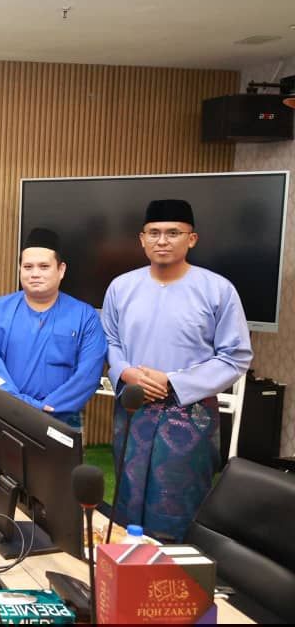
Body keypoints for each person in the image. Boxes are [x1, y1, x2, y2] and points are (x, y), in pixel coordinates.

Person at [102, 199, 252, 541]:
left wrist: (173, 381)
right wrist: (125, 372)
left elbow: (235, 356)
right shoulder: (121, 287)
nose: (162, 241)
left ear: (192, 239)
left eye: (173, 233)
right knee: (128, 493)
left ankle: (178, 568)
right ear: (142, 239)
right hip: (135, 407)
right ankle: (126, 562)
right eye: (154, 233)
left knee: (178, 502)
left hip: (189, 414)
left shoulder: (218, 290)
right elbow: (110, 339)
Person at [0, 228, 107, 428]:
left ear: (61, 270)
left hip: (62, 421)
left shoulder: (85, 316)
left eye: (44, 266)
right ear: (20, 269)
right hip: (6, 418)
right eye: (28, 267)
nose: (35, 274)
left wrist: (47, 407)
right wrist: (22, 406)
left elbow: (88, 376)